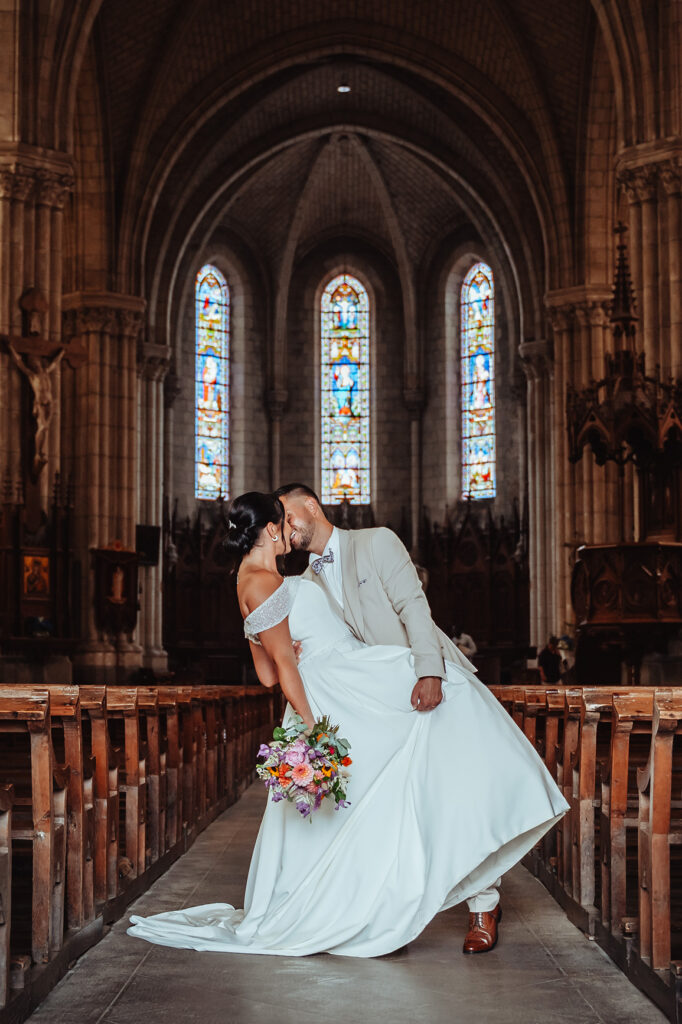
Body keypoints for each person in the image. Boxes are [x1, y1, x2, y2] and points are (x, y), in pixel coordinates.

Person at [127, 490, 568, 958]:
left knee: (457, 745)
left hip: (382, 678)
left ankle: (483, 899)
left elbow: (413, 609)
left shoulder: (373, 543)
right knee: (376, 799)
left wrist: (430, 669)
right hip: (345, 693)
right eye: (280, 523)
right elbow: (279, 667)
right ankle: (377, 898)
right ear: (270, 529)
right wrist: (308, 708)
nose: (289, 530)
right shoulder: (283, 579)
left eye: (290, 516)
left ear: (310, 508)